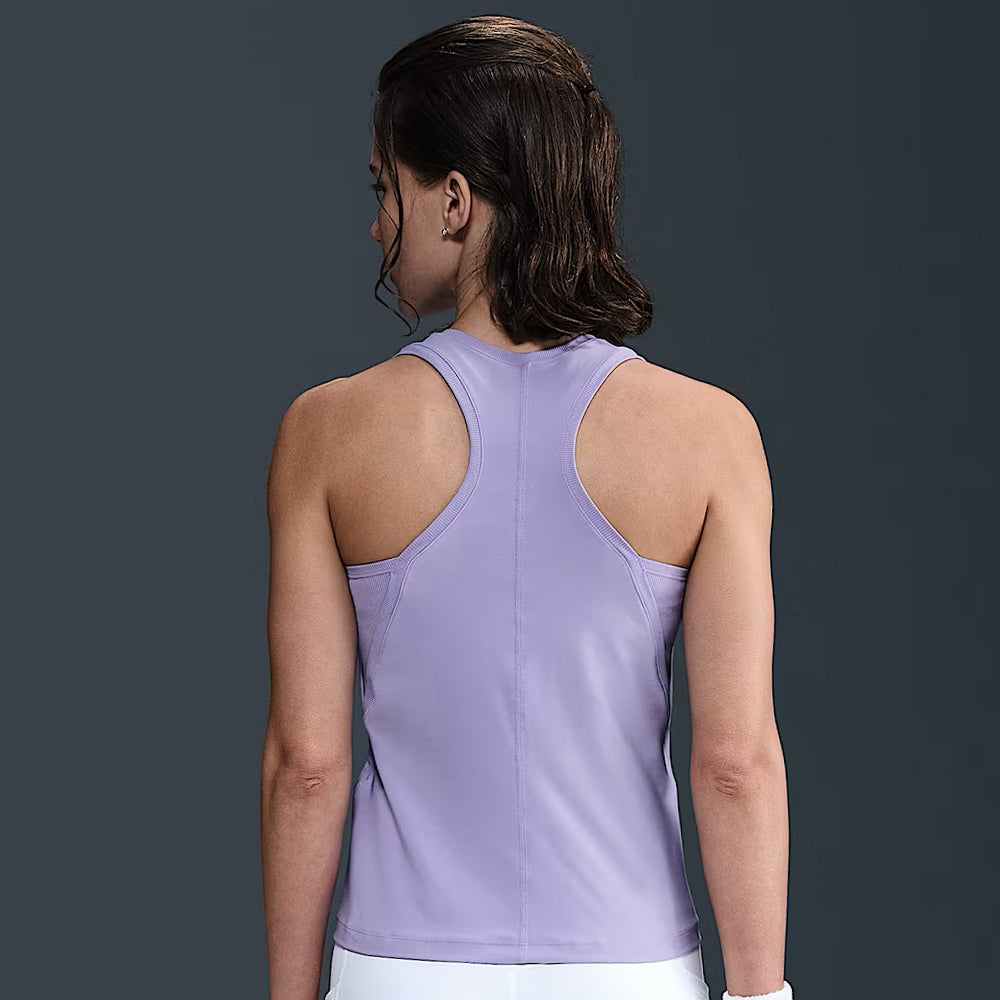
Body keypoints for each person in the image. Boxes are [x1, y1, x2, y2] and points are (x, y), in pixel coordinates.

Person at [261, 15, 792, 1000]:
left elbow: (307, 765)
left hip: (399, 971)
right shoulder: (710, 434)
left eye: (384, 189)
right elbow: (736, 762)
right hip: (630, 969)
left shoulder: (327, 432)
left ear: (454, 201)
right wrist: (761, 996)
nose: (375, 226)